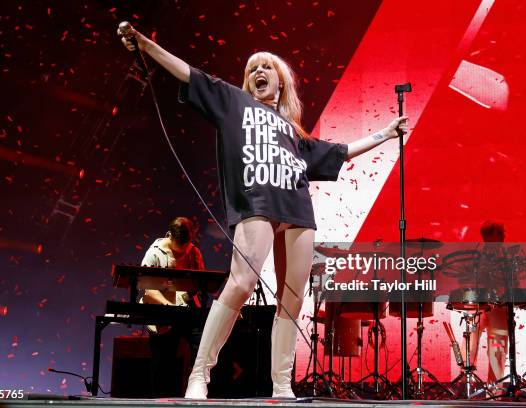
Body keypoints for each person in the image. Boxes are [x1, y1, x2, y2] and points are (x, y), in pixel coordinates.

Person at [120, 27, 408, 399]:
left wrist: (384, 134)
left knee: (292, 297)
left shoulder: (293, 130)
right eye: (253, 66)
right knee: (241, 281)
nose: (259, 70)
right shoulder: (232, 103)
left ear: (280, 81)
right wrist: (145, 44)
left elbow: (337, 151)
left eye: (267, 66)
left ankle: (282, 383)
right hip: (256, 203)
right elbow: (187, 71)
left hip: (296, 208)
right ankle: (200, 373)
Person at [140, 216, 205, 397]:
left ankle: (197, 390)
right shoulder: (154, 252)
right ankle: (162, 400)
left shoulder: (194, 252)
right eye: (180, 247)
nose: (184, 251)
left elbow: (202, 283)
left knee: (202, 347)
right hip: (164, 313)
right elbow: (147, 288)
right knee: (163, 363)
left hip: (188, 312)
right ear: (170, 236)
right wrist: (169, 306)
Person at [468, 220, 509, 384]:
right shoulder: (479, 255)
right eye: (499, 233)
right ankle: (469, 383)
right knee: (470, 344)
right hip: (483, 304)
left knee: (497, 349)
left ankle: (493, 388)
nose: (502, 237)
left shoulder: (507, 256)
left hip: (498, 306)